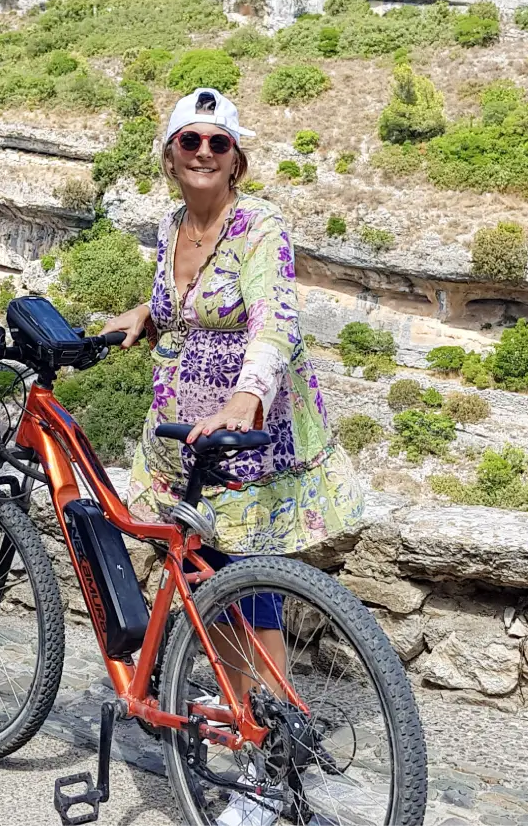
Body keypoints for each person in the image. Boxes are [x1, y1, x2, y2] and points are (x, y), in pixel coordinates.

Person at [99, 88, 364, 823]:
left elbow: (273, 317)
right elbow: (186, 300)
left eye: (219, 144)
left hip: (248, 434)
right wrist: (148, 312)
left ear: (237, 159)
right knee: (207, 576)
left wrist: (246, 397)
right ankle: (240, 720)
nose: (204, 154)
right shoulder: (171, 224)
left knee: (251, 588)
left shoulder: (261, 224)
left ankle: (269, 765)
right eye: (191, 141)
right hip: (182, 431)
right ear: (170, 154)